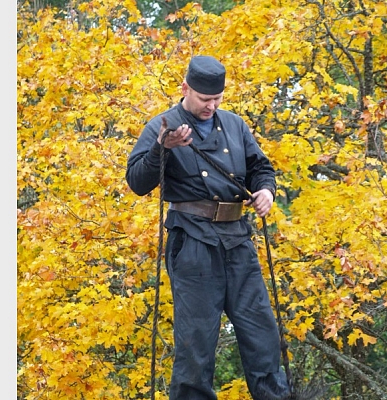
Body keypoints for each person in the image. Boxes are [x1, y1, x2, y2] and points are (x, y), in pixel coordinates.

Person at [125, 55, 291, 400]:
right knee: (196, 343)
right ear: (186, 88)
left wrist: (265, 192)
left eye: (217, 99)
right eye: (204, 99)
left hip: (237, 240)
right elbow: (137, 182)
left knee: (262, 334)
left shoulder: (234, 125)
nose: (211, 106)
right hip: (194, 244)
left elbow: (261, 168)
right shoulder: (163, 126)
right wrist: (162, 148)